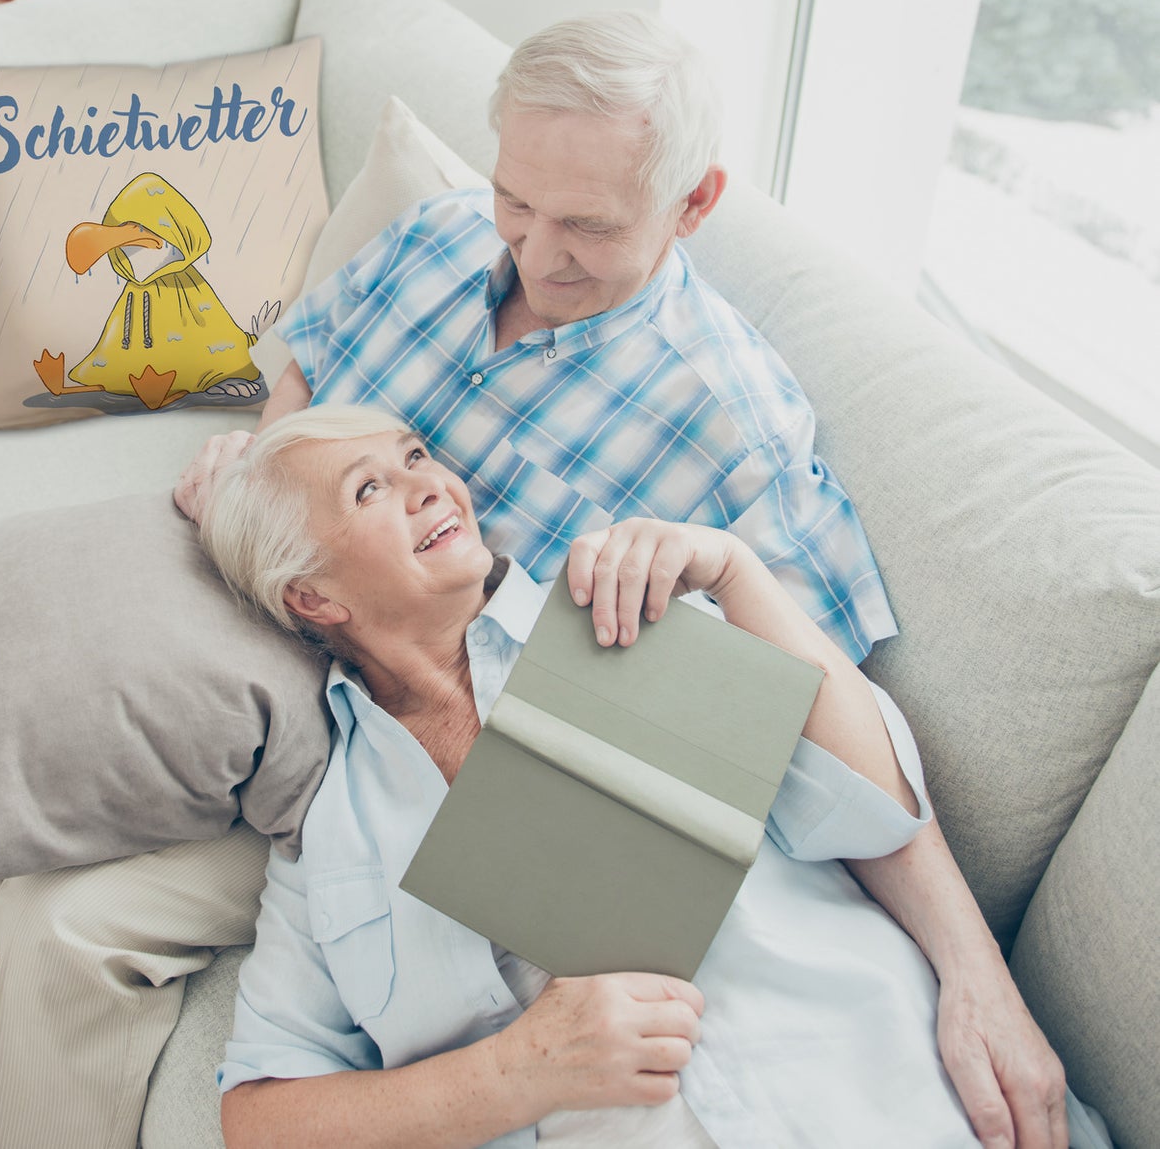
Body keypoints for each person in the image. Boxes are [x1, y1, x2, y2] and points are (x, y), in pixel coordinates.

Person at [0, 13, 1063, 1149]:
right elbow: (306, 373)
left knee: (69, 922)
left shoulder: (731, 428)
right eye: (519, 199)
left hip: (407, 717)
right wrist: (259, 467)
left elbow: (818, 724)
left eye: (586, 224)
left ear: (691, 205)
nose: (533, 248)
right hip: (296, 592)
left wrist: (975, 970)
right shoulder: (441, 236)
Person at [201, 404, 1096, 1149]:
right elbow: (260, 1117)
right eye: (370, 488)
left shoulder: (623, 611)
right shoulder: (330, 836)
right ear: (312, 597)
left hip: (888, 1095)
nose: (430, 483)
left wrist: (736, 572)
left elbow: (873, 809)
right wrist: (517, 1071)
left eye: (415, 456)